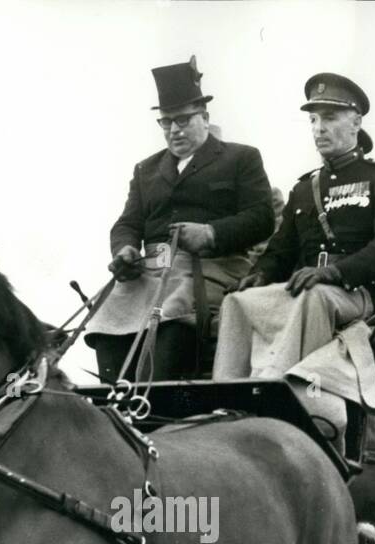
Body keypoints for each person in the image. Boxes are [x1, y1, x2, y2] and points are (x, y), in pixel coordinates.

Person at [212, 73, 375, 447]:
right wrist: (260, 274)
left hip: (355, 292)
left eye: (331, 118)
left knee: (314, 297)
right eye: (314, 120)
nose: (320, 128)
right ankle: (228, 398)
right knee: (237, 301)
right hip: (308, 284)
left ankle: (274, 391)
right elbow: (281, 250)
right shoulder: (305, 188)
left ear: (356, 122)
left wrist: (335, 271)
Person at [85, 57, 274, 382]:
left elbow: (262, 218)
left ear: (205, 116)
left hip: (213, 270)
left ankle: (151, 405)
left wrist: (211, 234)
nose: (175, 130)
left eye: (184, 120)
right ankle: (114, 408)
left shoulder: (240, 158)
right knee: (105, 320)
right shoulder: (146, 169)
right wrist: (126, 250)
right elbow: (127, 223)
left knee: (172, 314)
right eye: (166, 122)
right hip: (150, 274)